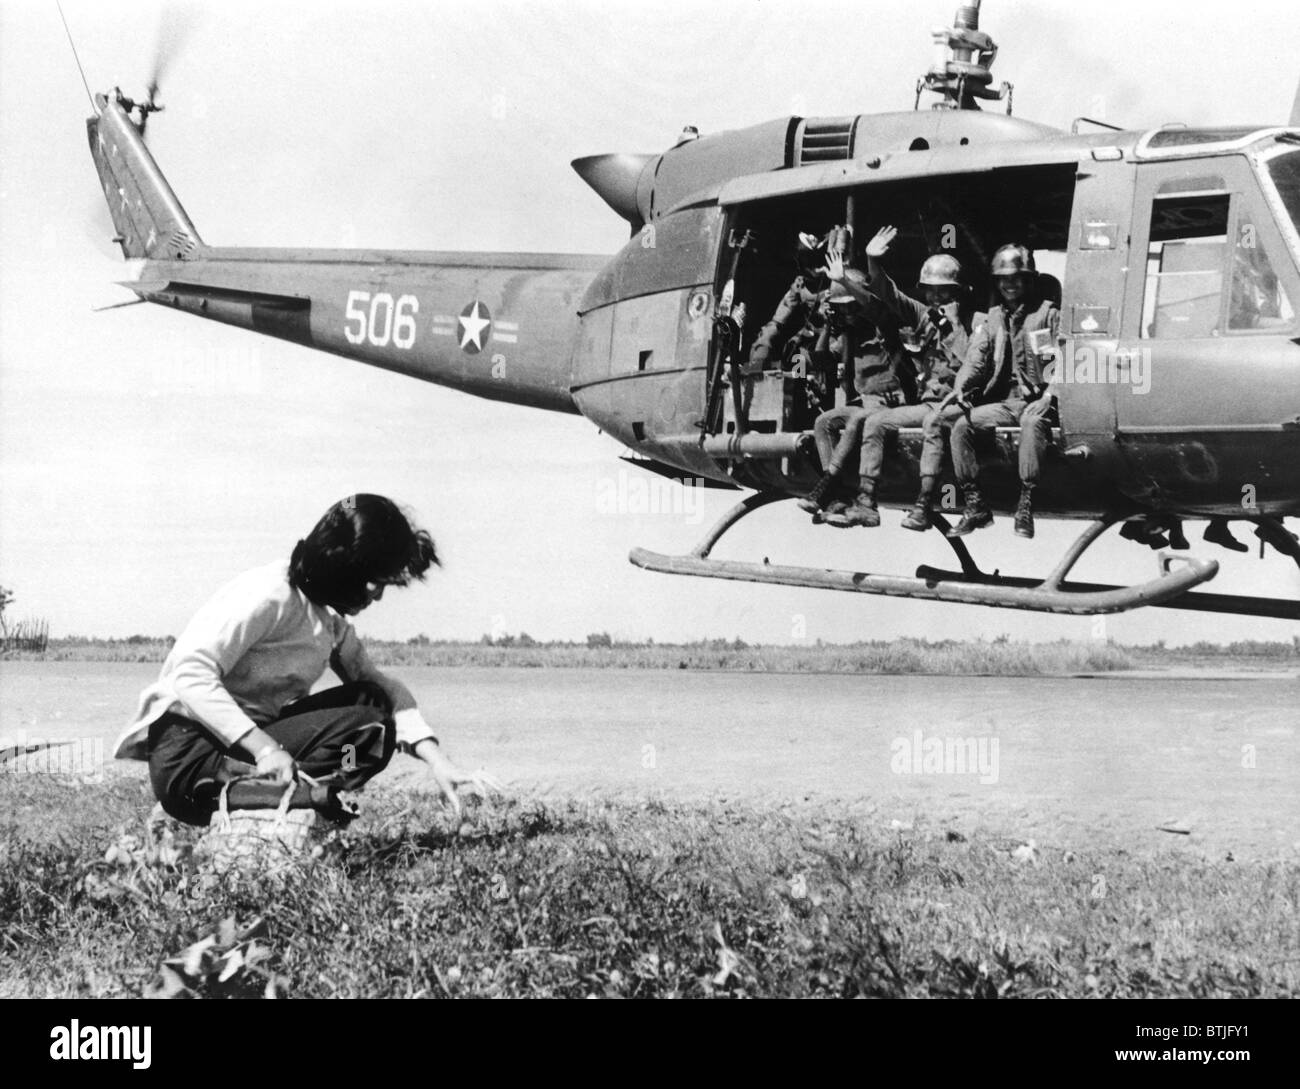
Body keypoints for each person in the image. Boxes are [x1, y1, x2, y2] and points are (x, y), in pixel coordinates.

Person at [114, 494, 498, 828]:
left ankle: (292, 798)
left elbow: (380, 688)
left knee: (371, 719)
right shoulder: (270, 594)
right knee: (370, 716)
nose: (377, 595)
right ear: (341, 562)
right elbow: (190, 674)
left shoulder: (328, 621)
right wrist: (266, 749)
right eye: (373, 580)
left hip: (242, 753)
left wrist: (437, 760)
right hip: (189, 758)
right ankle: (247, 798)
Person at [828, 226, 975, 530]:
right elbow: (887, 294)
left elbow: (970, 363)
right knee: (875, 422)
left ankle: (923, 505)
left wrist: (954, 326)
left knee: (932, 422)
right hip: (928, 403)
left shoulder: (976, 322)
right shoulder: (923, 315)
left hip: (959, 405)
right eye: (930, 291)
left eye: (944, 291)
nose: (936, 298)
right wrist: (870, 263)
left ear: (958, 293)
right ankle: (866, 502)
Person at [931, 244, 1060, 538]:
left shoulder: (1046, 315)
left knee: (1032, 423)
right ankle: (975, 503)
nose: (1008, 285)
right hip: (1007, 402)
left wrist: (1049, 395)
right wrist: (961, 387)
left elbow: (1063, 361)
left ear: (1028, 280)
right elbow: (976, 357)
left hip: (1037, 401)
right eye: (1003, 280)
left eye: (1015, 278)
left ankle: (1026, 502)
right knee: (962, 426)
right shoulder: (993, 318)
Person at [797, 258, 911, 528]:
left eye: (852, 306)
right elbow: (821, 359)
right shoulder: (849, 335)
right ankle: (836, 497)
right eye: (842, 308)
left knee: (858, 419)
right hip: (865, 403)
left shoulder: (885, 328)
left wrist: (846, 283)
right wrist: (828, 325)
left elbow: (876, 309)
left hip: (892, 403)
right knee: (823, 422)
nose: (848, 313)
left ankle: (827, 484)